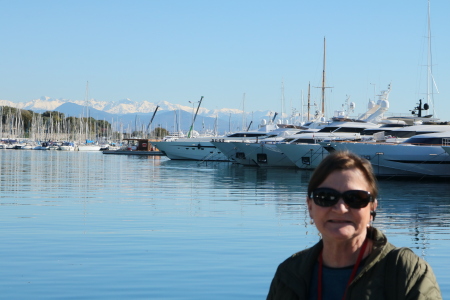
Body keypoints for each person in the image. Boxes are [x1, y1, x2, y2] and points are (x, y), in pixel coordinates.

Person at [266, 151, 441, 300]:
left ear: (372, 208)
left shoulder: (406, 271)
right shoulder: (289, 274)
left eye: (356, 198)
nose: (340, 209)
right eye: (326, 197)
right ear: (310, 206)